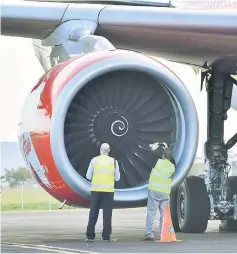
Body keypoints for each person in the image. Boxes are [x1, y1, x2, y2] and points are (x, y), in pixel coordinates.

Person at [86, 143, 120, 242]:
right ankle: (106, 236)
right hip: (108, 191)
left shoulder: (94, 160)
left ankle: (90, 236)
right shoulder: (113, 162)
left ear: (100, 150)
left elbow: (88, 176)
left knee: (93, 213)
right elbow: (117, 178)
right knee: (107, 214)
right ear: (109, 150)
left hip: (96, 190)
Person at [142, 142, 176, 241]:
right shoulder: (172, 167)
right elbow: (172, 161)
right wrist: (167, 149)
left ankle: (150, 233)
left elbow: (147, 159)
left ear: (162, 155)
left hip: (154, 191)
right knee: (164, 214)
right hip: (165, 192)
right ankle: (163, 233)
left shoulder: (158, 162)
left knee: (151, 212)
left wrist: (153, 150)